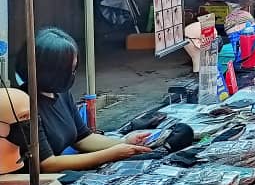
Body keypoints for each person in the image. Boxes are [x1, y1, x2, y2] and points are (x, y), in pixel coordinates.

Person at [11, 29, 151, 172]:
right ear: (50, 71)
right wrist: (112, 154)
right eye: (69, 70)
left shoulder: (62, 94)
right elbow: (46, 163)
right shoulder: (22, 105)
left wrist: (124, 142)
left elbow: (83, 138)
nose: (73, 74)